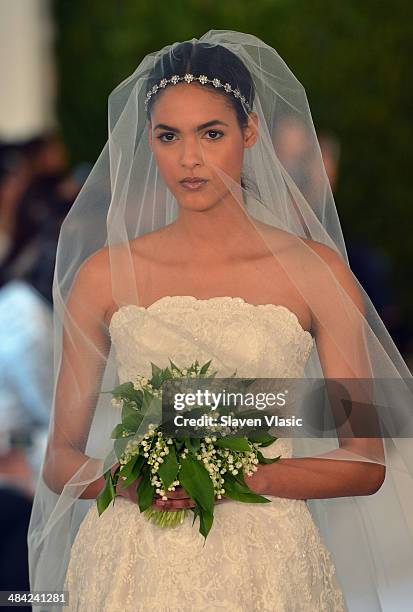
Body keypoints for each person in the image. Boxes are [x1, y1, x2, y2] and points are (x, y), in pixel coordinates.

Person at [28, 31, 413, 611]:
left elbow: (365, 459)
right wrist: (134, 482)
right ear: (148, 143)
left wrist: (243, 475)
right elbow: (60, 456)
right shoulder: (103, 276)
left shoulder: (317, 272)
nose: (189, 158)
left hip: (266, 560)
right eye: (168, 136)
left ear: (249, 132)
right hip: (131, 560)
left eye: (211, 133)